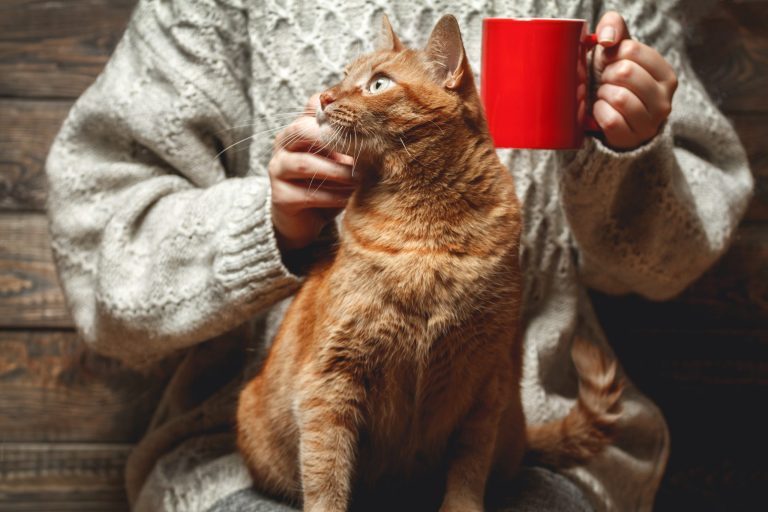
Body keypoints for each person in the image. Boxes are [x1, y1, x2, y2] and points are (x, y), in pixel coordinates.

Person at [45, 0, 753, 510]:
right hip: (258, 456)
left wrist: (626, 150)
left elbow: (671, 263)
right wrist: (270, 224)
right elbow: (102, 253)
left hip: (506, 440)